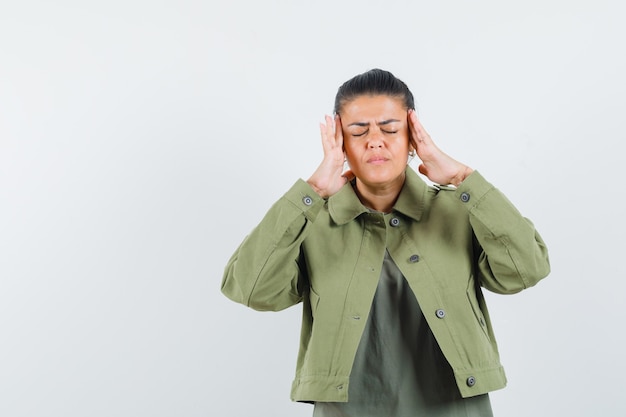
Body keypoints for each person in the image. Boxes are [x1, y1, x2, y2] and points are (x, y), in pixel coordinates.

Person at [221, 68, 550, 416]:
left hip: (455, 408)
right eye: (358, 131)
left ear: (413, 136)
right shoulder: (312, 222)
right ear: (339, 141)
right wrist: (313, 192)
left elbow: (527, 268)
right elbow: (250, 288)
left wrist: (462, 178)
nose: (375, 141)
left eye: (390, 129)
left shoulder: (459, 210)